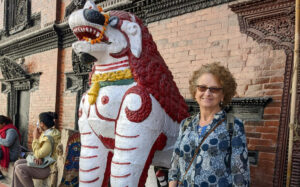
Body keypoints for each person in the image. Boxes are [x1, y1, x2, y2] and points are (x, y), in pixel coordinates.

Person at [168, 63, 250, 186]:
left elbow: (240, 174)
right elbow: (175, 162)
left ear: (223, 95)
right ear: (195, 92)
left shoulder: (233, 125)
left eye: (214, 89)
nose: (207, 93)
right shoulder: (186, 124)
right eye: (202, 88)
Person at [12, 112, 61, 187]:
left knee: (20, 169)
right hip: (43, 162)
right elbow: (39, 153)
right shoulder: (47, 132)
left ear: (42, 123)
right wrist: (38, 157)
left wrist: (35, 138)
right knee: (17, 163)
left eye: (38, 121)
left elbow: (39, 153)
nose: (37, 124)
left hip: (48, 167)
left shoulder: (50, 137)